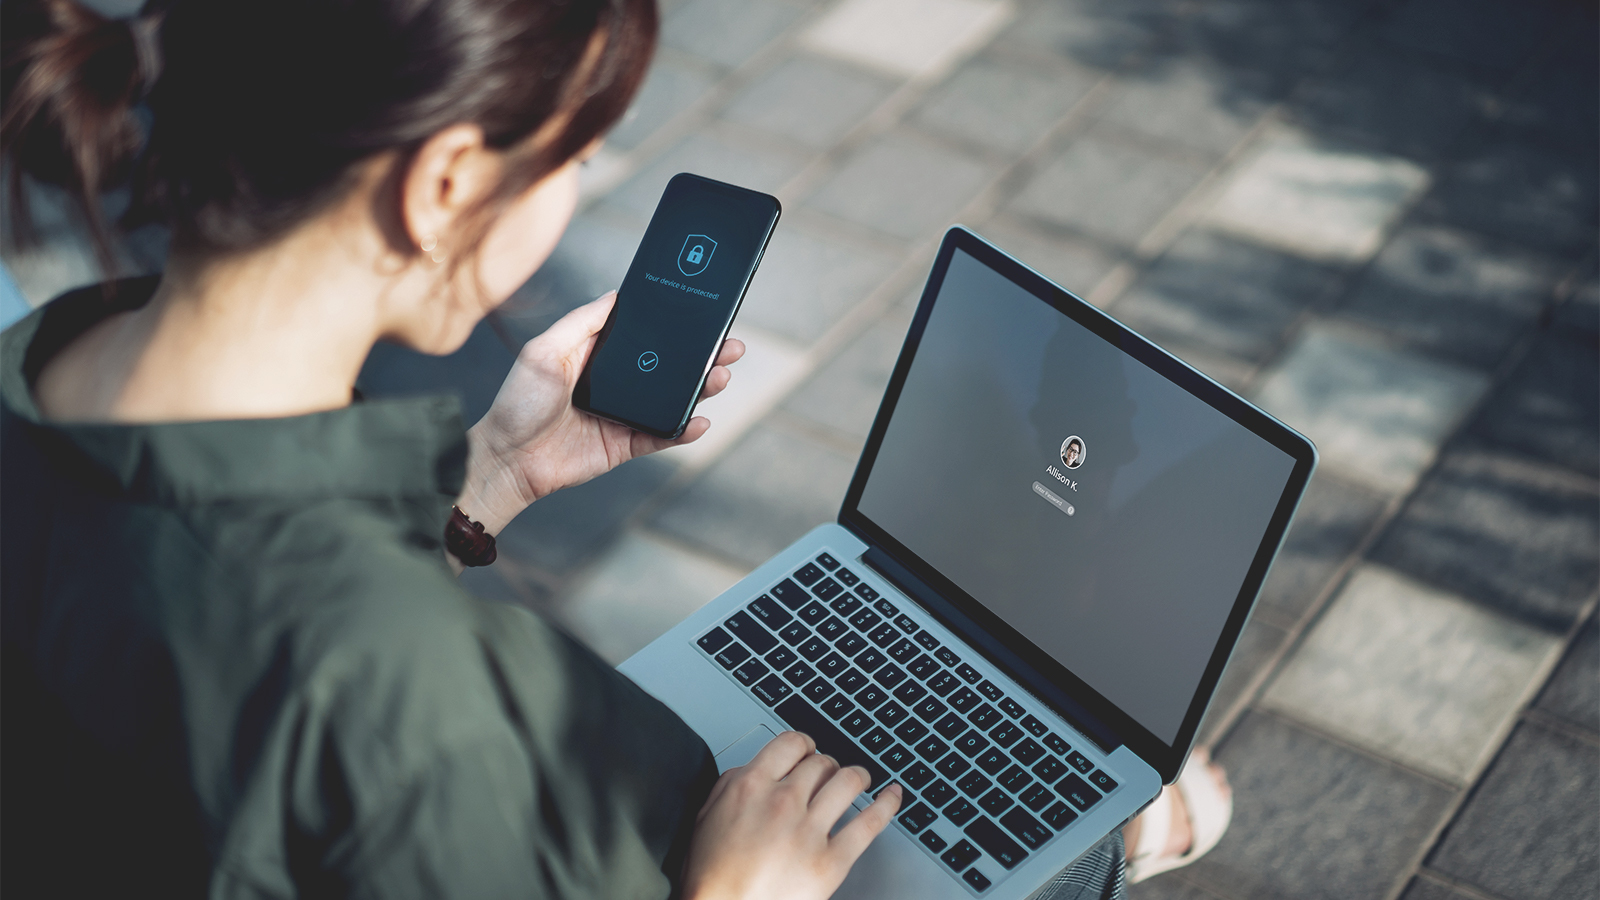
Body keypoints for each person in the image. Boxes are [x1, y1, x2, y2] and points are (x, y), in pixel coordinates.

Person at [0, 1, 1227, 897]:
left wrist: (494, 479)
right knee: (1042, 854)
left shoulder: (43, 368)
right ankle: (1123, 846)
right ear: (439, 189)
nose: (576, 195)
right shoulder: (396, 688)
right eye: (574, 158)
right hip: (701, 859)